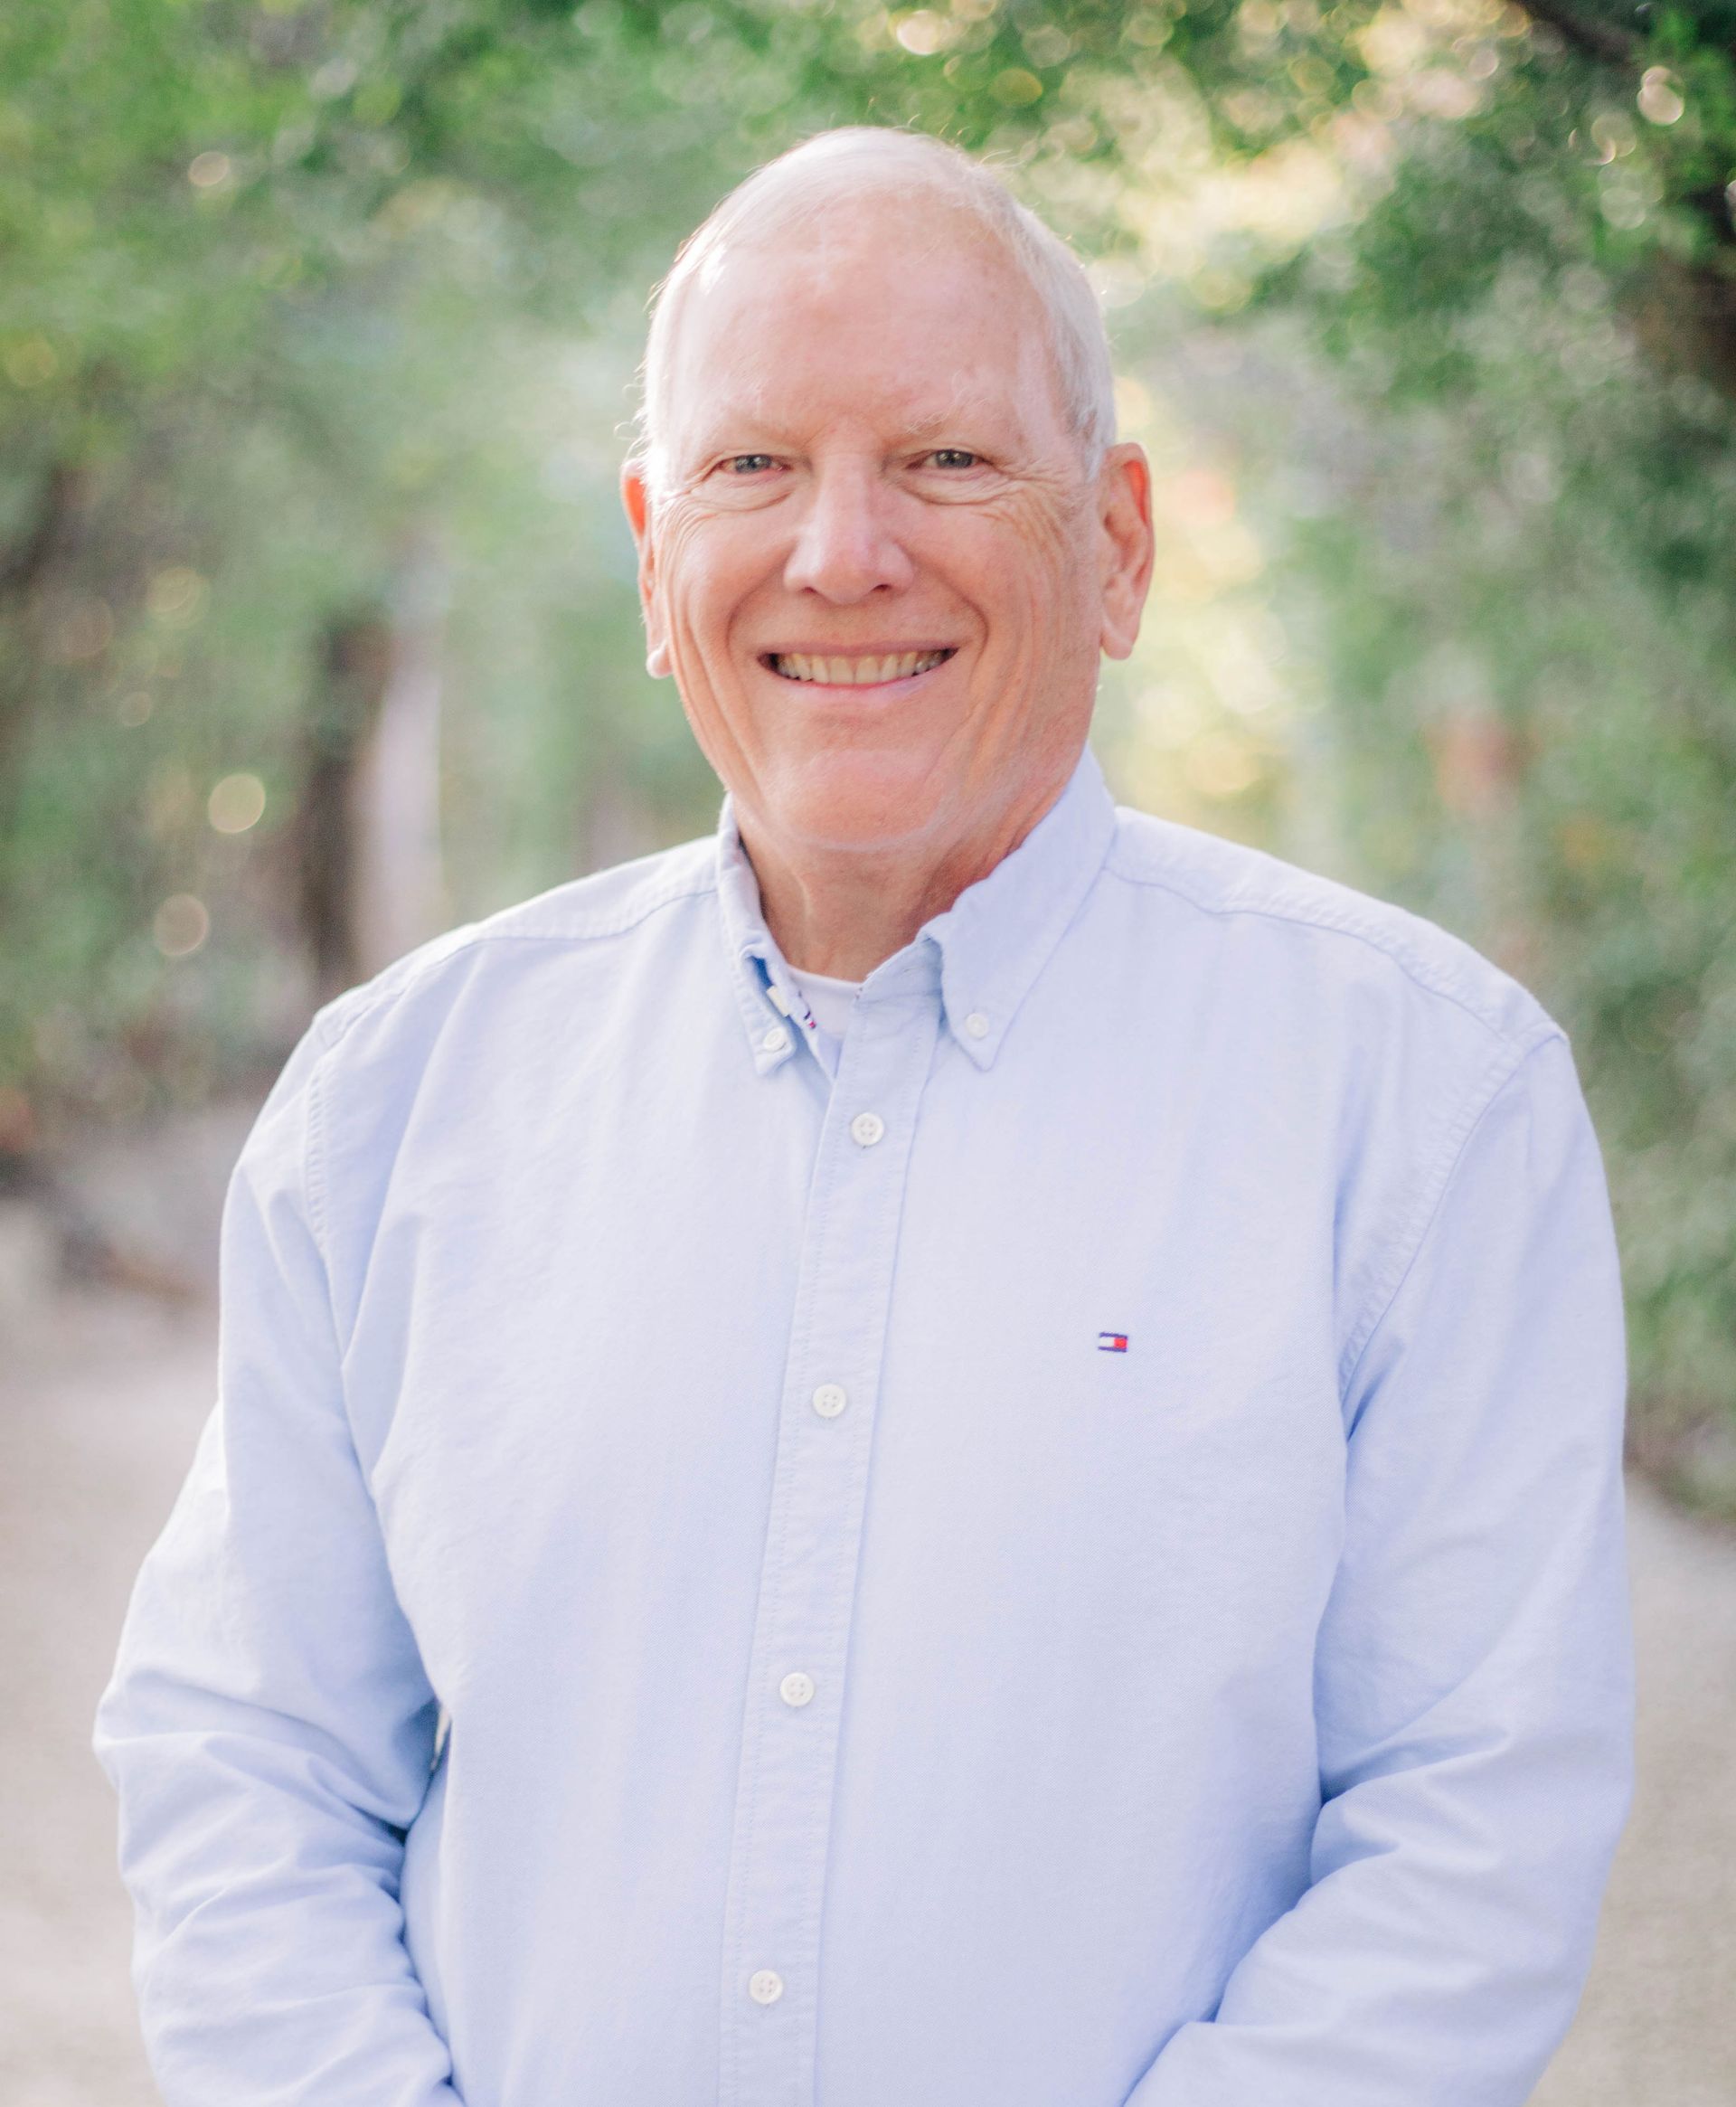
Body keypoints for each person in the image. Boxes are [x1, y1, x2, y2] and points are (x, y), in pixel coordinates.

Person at [96, 128, 1633, 2107]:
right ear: (656, 557)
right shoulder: (398, 1104)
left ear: (1122, 545)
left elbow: (1470, 1834)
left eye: (946, 457)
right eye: (753, 466)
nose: (840, 554)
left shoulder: (1423, 1099)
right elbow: (251, 1764)